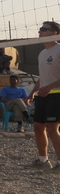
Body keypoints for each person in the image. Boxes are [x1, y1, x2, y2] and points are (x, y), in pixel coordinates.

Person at [28, 21, 60, 169]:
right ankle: (43, 160)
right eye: (40, 29)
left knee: (52, 128)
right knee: (38, 127)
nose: (39, 32)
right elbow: (43, 77)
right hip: (44, 95)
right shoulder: (42, 53)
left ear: (54, 32)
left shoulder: (59, 49)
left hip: (57, 94)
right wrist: (33, 92)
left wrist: (49, 87)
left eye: (43, 29)